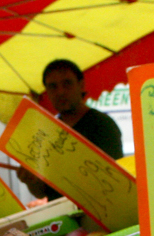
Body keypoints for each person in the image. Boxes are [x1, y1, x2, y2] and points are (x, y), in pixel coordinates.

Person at [18, 59, 124, 201]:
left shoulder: (103, 125)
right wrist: (30, 180)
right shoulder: (46, 134)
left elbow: (116, 182)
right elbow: (43, 193)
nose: (60, 92)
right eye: (53, 86)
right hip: (63, 217)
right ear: (47, 92)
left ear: (81, 85)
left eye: (67, 83)